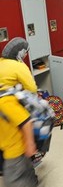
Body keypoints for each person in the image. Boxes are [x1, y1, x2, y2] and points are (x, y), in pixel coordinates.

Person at [0, 37, 38, 179]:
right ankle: (28, 164)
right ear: (20, 52)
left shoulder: (1, 62)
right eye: (26, 52)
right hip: (10, 106)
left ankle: (3, 167)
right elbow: (32, 89)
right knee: (24, 129)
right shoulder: (19, 66)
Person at [0, 90, 40, 187]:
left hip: (15, 148)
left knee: (11, 180)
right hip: (16, 146)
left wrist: (30, 144)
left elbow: (26, 122)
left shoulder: (3, 102)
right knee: (26, 169)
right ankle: (33, 183)